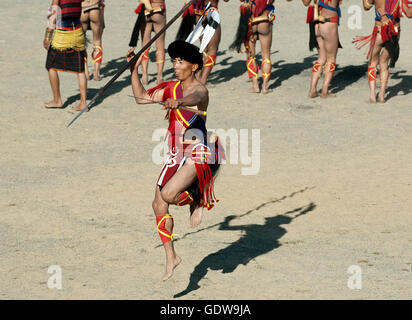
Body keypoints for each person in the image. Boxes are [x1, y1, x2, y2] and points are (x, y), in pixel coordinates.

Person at [126, 40, 224, 281]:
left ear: (193, 66)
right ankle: (172, 256)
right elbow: (140, 98)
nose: (176, 65)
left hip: (198, 152)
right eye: (174, 61)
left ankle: (198, 196)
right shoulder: (169, 87)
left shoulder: (201, 90)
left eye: (180, 62)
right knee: (158, 205)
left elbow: (194, 96)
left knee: (169, 195)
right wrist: (133, 70)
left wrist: (178, 102)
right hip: (175, 155)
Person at [353, 0, 412, 103]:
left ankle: (372, 95)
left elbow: (366, 6)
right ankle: (381, 96)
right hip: (393, 33)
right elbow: (409, 14)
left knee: (373, 63)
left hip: (380, 31)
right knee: (384, 63)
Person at [44, 0, 88, 111]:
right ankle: (83, 103)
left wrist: (47, 36)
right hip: (78, 32)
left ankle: (57, 100)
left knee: (51, 66)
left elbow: (54, 14)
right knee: (80, 70)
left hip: (62, 34)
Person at [176, 0, 229, 86]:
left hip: (199, 15)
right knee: (212, 49)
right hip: (211, 15)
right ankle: (203, 80)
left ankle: (198, 76)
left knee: (204, 48)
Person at [230, 0, 276, 94]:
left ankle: (255, 86)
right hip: (265, 20)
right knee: (266, 55)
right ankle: (264, 87)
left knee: (250, 55)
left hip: (251, 22)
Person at [304, 0, 342, 98]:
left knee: (321, 58)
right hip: (329, 23)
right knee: (331, 59)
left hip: (317, 24)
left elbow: (305, 3)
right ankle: (325, 91)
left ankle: (312, 90)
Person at [129, 0, 166, 85]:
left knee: (145, 45)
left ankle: (145, 76)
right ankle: (159, 76)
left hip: (146, 11)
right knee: (160, 45)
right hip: (158, 9)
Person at [81, 0, 105, 81]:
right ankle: (96, 73)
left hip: (83, 7)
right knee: (97, 41)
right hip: (95, 7)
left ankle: (85, 72)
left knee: (82, 43)